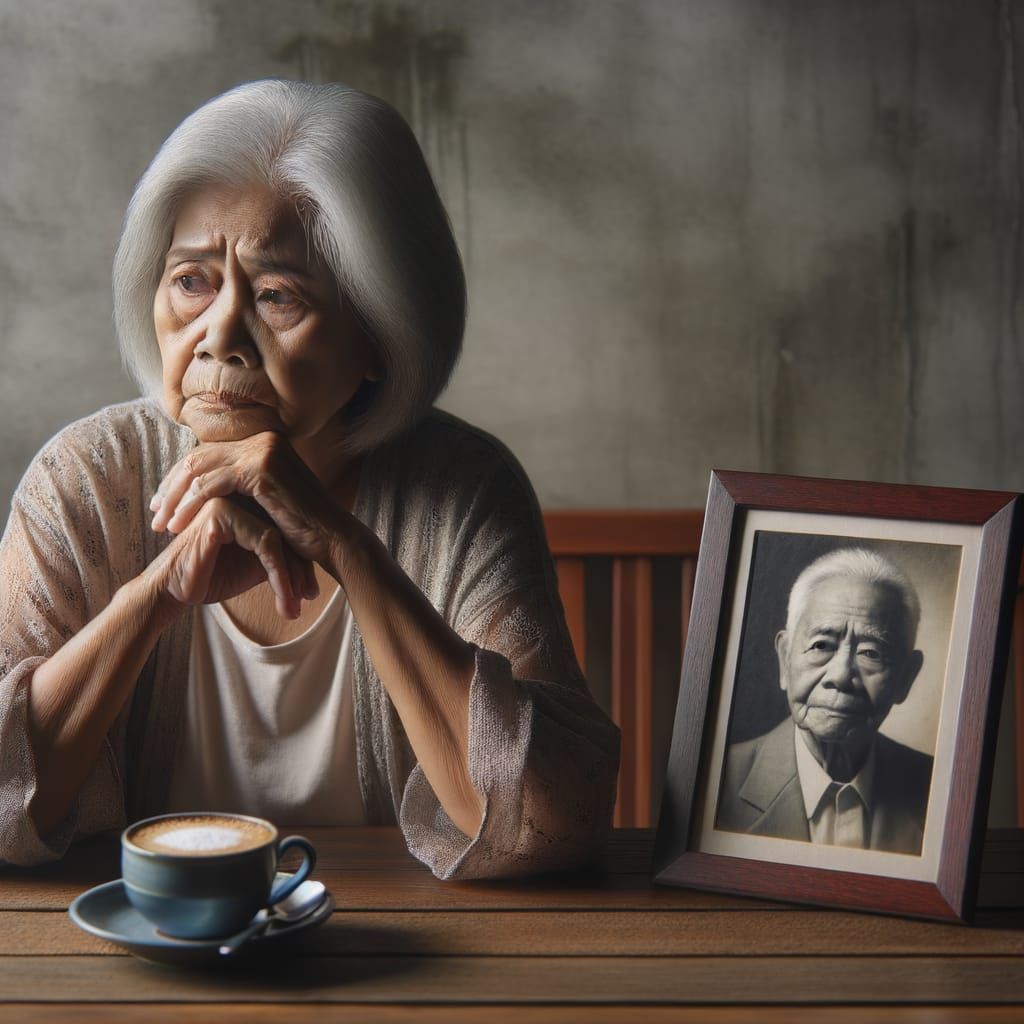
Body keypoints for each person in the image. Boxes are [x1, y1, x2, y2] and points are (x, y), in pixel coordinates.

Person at [0, 80, 619, 878]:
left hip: (406, 959)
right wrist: (155, 596)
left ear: (377, 337)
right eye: (191, 281)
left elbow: (552, 821)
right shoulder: (86, 477)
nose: (219, 335)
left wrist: (347, 549)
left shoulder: (463, 490)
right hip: (138, 954)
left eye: (275, 295)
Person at [716, 547, 931, 855]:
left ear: (906, 677)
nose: (841, 676)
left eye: (871, 653)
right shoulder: (718, 782)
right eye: (822, 645)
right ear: (785, 658)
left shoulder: (938, 789)